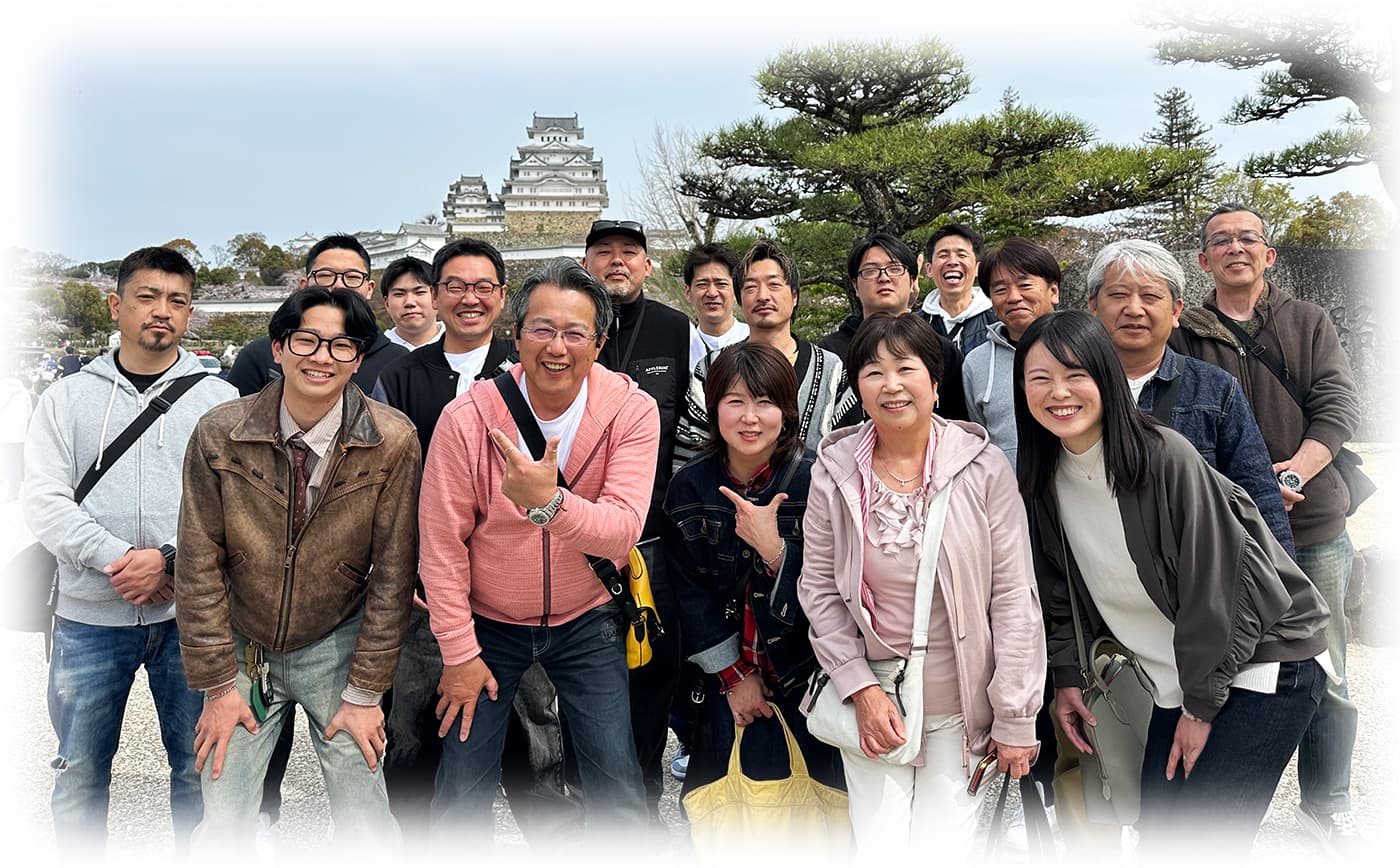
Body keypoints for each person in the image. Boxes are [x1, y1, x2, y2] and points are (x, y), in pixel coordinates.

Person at [1014, 310, 1330, 856]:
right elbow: (1058, 589)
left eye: (1075, 375)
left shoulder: (1162, 458)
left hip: (1264, 661)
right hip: (1183, 676)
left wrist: (1200, 709)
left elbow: (1217, 593)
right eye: (1039, 378)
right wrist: (1067, 677)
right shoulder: (1044, 475)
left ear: (1106, 377)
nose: (1058, 393)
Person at [175, 286, 421, 851]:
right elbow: (198, 561)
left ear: (359, 358)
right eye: (306, 340)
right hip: (245, 643)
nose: (322, 357)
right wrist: (217, 686)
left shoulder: (392, 438)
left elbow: (394, 573)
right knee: (224, 809)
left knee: (364, 814)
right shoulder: (220, 431)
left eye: (341, 345)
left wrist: (366, 693)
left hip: (337, 640)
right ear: (279, 347)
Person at [420, 258, 656, 842]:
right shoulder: (467, 418)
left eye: (575, 333)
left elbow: (623, 530)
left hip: (587, 615)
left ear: (600, 342)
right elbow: (442, 544)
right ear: (517, 334)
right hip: (487, 622)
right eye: (542, 329)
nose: (557, 347)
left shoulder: (631, 410)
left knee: (616, 782)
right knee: (462, 784)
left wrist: (548, 504)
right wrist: (457, 651)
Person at [798, 312, 1044, 854]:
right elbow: (818, 588)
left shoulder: (983, 468)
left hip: (962, 707)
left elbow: (1013, 597)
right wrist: (860, 688)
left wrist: (1015, 714)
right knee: (880, 850)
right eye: (873, 372)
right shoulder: (835, 470)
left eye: (905, 368)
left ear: (935, 382)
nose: (890, 385)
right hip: (876, 700)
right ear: (859, 389)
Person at [22, 246, 238, 852]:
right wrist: (119, 558)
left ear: (190, 313)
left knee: (199, 770)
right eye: (147, 297)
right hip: (88, 616)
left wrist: (168, 560)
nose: (161, 311)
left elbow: (237, 505)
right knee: (79, 773)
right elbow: (43, 499)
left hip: (190, 617)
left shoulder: (217, 401)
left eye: (177, 300)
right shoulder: (67, 398)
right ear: (117, 305)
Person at [1170, 204, 1364, 854]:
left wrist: (1295, 472)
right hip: (1226, 534)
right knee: (1222, 667)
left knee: (1327, 668)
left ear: (1268, 254)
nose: (1235, 247)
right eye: (1221, 240)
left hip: (1312, 522)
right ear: (1203, 260)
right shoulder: (1186, 333)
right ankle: (1220, 810)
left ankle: (1326, 803)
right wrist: (1244, 492)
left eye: (1247, 238)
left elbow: (1337, 403)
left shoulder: (1307, 321)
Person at [371, 239, 576, 841]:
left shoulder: (535, 368)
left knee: (534, 728)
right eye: (455, 286)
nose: (470, 298)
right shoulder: (400, 377)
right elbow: (381, 484)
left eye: (484, 286)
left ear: (503, 296)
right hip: (426, 589)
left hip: (519, 587)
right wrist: (401, 570)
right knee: (414, 724)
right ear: (435, 296)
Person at [662, 343, 843, 807]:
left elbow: (837, 588)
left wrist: (775, 551)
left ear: (787, 410)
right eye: (735, 401)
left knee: (816, 803)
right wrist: (733, 675)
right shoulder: (690, 486)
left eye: (764, 402)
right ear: (714, 406)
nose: (750, 418)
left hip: (807, 673)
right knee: (730, 803)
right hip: (725, 674)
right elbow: (689, 593)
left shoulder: (818, 481)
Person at [581, 219, 691, 818]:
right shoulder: (568, 331)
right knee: (582, 681)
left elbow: (693, 431)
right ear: (586, 263)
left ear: (648, 265)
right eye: (604, 252)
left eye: (629, 252)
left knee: (651, 678)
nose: (616, 262)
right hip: (575, 543)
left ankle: (643, 806)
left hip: (653, 541)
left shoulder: (677, 331)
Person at [1086, 239, 1293, 552]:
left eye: (1150, 296)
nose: (1134, 309)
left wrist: (1279, 575)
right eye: (1118, 295)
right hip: (1095, 565)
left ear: (1175, 311)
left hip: (1196, 567)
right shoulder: (1066, 391)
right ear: (1093, 306)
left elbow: (1259, 494)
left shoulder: (1215, 388)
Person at [675, 240, 857, 469]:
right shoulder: (712, 367)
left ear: (794, 296)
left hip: (815, 492)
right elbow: (689, 454)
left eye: (774, 285)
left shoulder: (831, 370)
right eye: (751, 287)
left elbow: (852, 453)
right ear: (740, 298)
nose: (763, 296)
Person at [227, 234, 408, 398]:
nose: (339, 285)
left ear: (369, 289)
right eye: (325, 275)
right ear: (304, 285)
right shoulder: (259, 356)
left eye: (352, 277)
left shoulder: (399, 361)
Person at [818, 232, 967, 423]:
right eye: (870, 271)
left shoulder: (941, 349)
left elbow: (958, 421)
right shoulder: (829, 352)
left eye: (895, 269)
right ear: (855, 286)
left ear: (912, 281)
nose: (884, 277)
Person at [963, 236, 1062, 469]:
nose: (1014, 297)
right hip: (1008, 489)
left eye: (1025, 285)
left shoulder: (1083, 347)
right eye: (1000, 289)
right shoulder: (976, 363)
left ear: (1053, 291)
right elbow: (980, 438)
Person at [916, 223, 997, 354]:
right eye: (943, 255)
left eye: (962, 255)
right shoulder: (915, 326)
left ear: (978, 268)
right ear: (929, 269)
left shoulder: (998, 321)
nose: (952, 262)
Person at [683, 243, 749, 370]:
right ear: (688, 292)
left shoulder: (756, 341)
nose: (712, 293)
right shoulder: (682, 347)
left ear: (736, 291)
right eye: (702, 284)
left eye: (721, 284)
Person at [380, 255, 445, 349]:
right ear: (387, 304)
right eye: (399, 294)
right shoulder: (375, 352)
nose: (409, 302)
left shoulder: (461, 344)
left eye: (419, 292)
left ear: (436, 297)